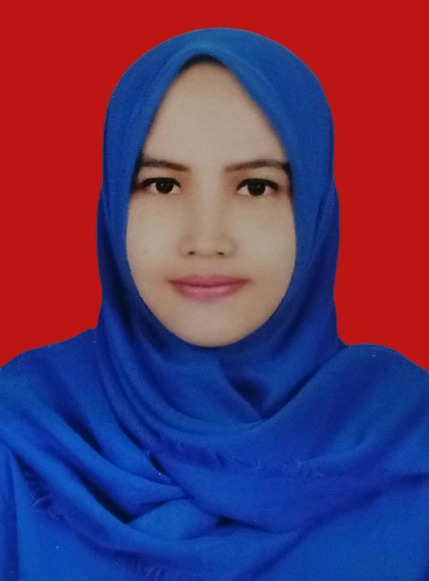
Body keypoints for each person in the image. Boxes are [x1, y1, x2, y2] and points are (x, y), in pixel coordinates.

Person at [1, 28, 428, 580]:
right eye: (162, 185)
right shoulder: (20, 435)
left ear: (315, 209)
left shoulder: (409, 436)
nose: (206, 239)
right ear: (114, 204)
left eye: (255, 187)